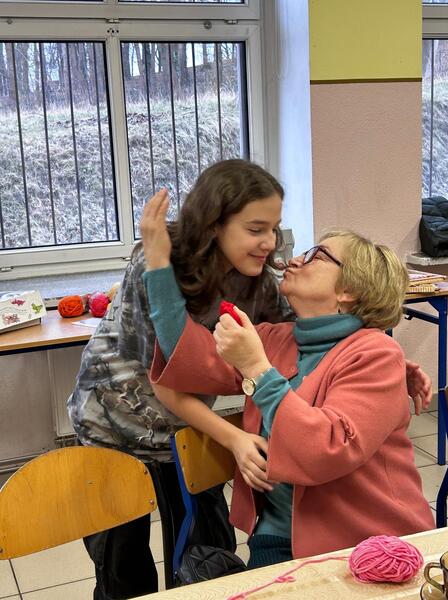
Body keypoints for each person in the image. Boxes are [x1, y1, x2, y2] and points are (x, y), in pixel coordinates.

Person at [143, 218, 435, 568]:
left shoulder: (376, 354)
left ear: (349, 290)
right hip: (279, 538)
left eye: (316, 256)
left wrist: (257, 369)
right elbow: (187, 355)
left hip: (369, 542)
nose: (295, 260)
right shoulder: (275, 339)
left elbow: (325, 450)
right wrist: (158, 266)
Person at [67, 158, 298, 599]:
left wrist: (383, 358)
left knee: (207, 560)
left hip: (186, 431)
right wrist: (233, 438)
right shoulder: (156, 264)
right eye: (256, 229)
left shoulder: (257, 281)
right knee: (123, 571)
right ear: (214, 225)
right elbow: (166, 378)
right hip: (112, 429)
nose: (269, 242)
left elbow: (300, 334)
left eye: (274, 228)